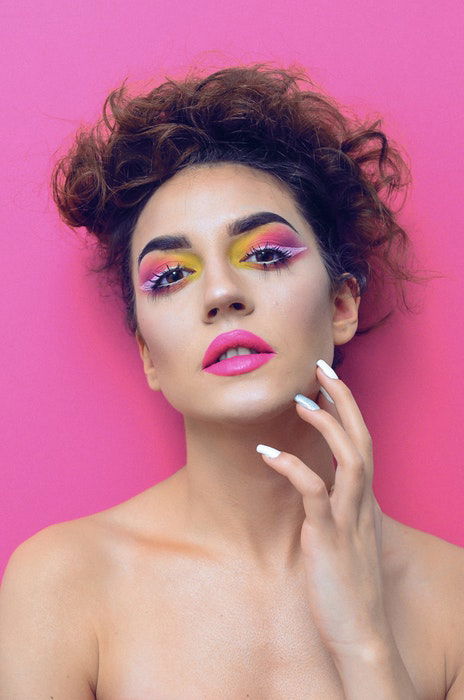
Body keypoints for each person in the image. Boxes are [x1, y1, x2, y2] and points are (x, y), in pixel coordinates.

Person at [0, 63, 463, 699]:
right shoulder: (63, 582)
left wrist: (364, 638)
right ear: (149, 358)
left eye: (265, 256)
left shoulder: (453, 601)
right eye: (171, 276)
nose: (221, 293)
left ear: (341, 307)